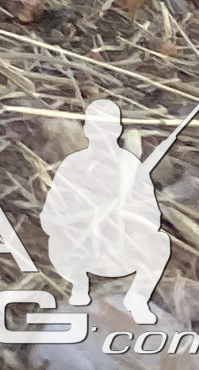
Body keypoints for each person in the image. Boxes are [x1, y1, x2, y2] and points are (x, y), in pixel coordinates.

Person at [40, 99, 170, 324]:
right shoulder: (73, 164)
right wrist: (83, 218)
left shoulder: (131, 167)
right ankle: (79, 290)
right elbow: (49, 215)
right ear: (88, 129)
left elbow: (152, 217)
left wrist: (130, 210)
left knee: (160, 243)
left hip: (118, 248)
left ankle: (137, 300)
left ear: (118, 131)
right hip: (79, 247)